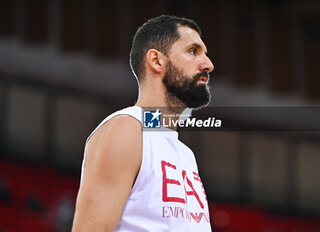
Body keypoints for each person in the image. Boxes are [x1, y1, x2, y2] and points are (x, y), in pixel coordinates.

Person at [72, 15, 214, 232]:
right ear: (157, 61)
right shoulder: (126, 129)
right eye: (193, 51)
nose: (208, 65)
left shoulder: (186, 155)